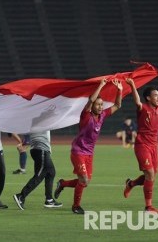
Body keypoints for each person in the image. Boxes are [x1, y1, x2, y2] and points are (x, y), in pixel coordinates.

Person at [54, 78, 123, 214]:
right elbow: (90, 100)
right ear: (93, 106)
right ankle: (76, 206)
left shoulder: (102, 115)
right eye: (98, 104)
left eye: (102, 104)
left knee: (84, 182)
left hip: (89, 153)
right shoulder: (86, 115)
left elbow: (117, 105)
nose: (100, 107)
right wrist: (101, 85)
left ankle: (63, 184)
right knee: (84, 179)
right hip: (78, 151)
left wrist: (119, 90)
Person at [123, 71, 158, 213]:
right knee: (150, 175)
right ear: (148, 98)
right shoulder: (143, 108)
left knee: (150, 176)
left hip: (154, 146)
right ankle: (148, 207)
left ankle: (131, 183)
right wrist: (133, 85)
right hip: (142, 145)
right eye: (155, 95)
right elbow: (137, 101)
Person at [13, 131, 62, 210]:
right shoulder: (40, 119)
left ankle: (49, 200)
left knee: (51, 173)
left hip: (40, 149)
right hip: (41, 149)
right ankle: (21, 196)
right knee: (40, 175)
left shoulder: (38, 120)